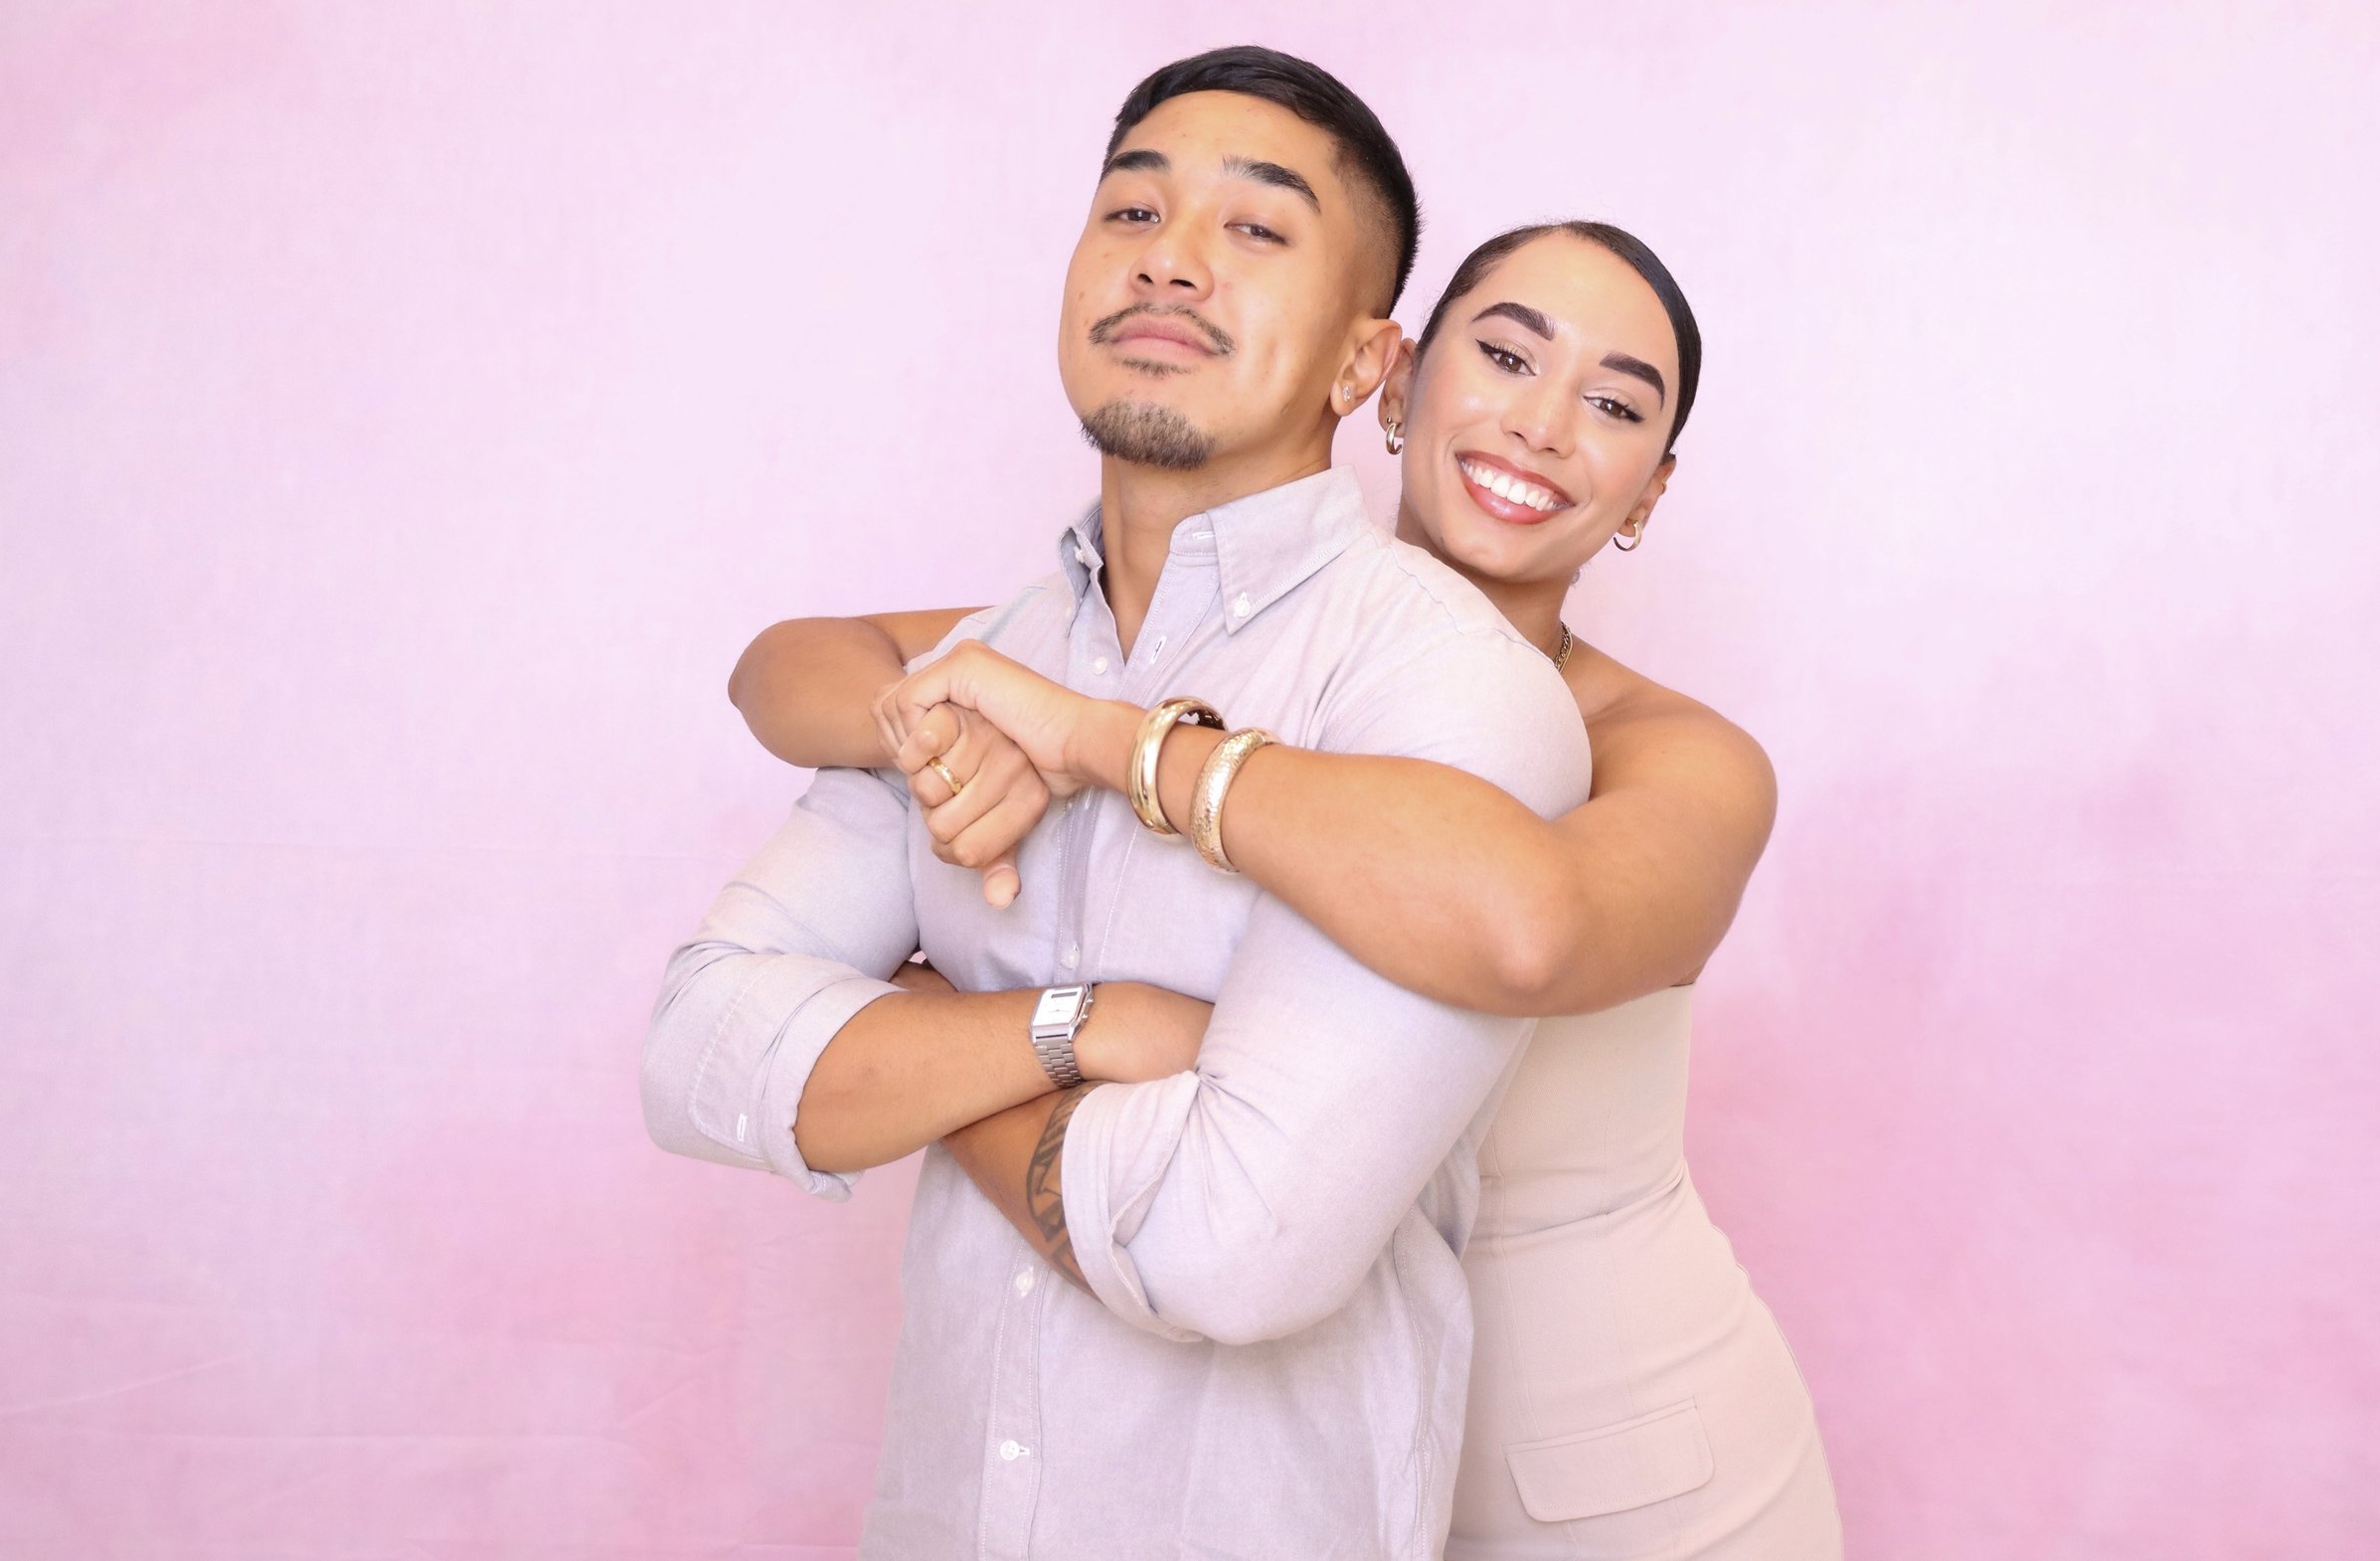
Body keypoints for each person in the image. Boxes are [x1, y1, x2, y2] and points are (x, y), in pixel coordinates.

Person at [732, 221, 1844, 1554]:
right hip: (1290, 1460)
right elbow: (792, 666)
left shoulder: (1681, 755)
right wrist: (954, 727)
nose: (1544, 425)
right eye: (1504, 356)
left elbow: (1533, 929)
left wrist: (1087, 770)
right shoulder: (1198, 645)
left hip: (1607, 1475)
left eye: (1611, 404)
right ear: (1395, 381)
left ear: (1649, 492)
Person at [639, 46, 1595, 1558]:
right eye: (1131, 210)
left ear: (1367, 368)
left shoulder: (1438, 690)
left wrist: (912, 1018)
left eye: (1257, 229)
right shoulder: (977, 667)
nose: (1171, 257)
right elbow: (696, 1051)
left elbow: (1235, 1250)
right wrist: (1071, 1026)